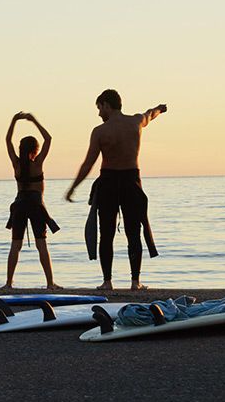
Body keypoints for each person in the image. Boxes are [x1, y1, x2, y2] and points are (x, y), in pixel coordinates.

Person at [64, 90, 167, 290]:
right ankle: (135, 282)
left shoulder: (100, 131)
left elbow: (88, 163)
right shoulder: (136, 122)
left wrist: (73, 187)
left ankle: (107, 282)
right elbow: (149, 114)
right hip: (131, 181)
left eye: (99, 108)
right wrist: (159, 110)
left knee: (107, 233)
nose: (98, 114)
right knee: (133, 233)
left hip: (109, 181)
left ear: (106, 105)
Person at [4, 112, 60, 290]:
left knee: (16, 245)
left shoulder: (17, 164)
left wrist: (14, 121)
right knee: (41, 244)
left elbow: (7, 140)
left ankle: (8, 283)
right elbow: (48, 138)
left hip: (20, 206)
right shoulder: (38, 163)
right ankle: (50, 283)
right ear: (35, 151)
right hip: (36, 206)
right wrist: (34, 120)